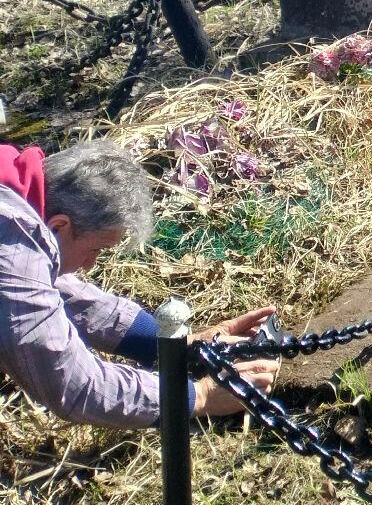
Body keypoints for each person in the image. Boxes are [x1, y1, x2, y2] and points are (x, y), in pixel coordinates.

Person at [0, 139, 279, 428]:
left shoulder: (18, 193)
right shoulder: (11, 248)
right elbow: (72, 383)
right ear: (59, 226)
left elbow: (50, 293)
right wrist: (198, 396)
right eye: (96, 249)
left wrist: (174, 346)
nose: (89, 266)